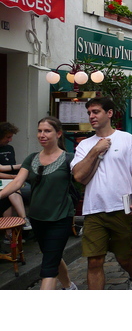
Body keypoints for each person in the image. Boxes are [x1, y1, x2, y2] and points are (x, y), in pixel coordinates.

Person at [71, 97, 132, 290]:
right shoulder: (84, 145)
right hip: (93, 210)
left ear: (110, 113)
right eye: (89, 113)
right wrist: (96, 150)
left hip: (121, 207)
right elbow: (79, 176)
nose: (91, 116)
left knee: (124, 257)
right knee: (94, 261)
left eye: (96, 112)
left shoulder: (126, 139)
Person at [0, 117, 77, 289]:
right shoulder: (32, 158)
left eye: (47, 131)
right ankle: (69, 287)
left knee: (48, 267)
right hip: (37, 218)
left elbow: (83, 177)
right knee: (52, 256)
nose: (42, 135)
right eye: (40, 131)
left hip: (60, 217)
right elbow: (17, 182)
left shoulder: (69, 158)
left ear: (58, 134)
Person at [0, 121, 31, 232]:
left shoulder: (10, 148)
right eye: (8, 137)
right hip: (8, 182)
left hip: (13, 181)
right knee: (11, 192)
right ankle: (23, 220)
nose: (10, 140)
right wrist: (14, 177)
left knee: (16, 191)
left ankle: (10, 234)